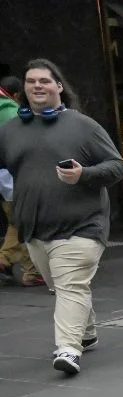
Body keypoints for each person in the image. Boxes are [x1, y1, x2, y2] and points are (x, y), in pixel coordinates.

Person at [0, 58, 123, 374]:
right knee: (65, 286)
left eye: (44, 80)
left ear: (58, 86)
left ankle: (69, 349)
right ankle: (88, 331)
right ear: (23, 90)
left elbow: (116, 166)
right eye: (31, 81)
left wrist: (84, 174)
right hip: (35, 229)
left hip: (82, 224)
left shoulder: (82, 125)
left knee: (70, 285)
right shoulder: (11, 130)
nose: (37, 86)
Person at [0, 74, 37, 287]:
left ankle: (31, 269)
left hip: (3, 178)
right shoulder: (11, 111)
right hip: (14, 176)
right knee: (23, 220)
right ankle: (11, 262)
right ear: (16, 95)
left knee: (17, 220)